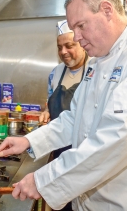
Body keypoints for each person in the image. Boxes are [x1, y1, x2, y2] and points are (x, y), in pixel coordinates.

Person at [0, 0, 127, 211]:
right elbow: (74, 118)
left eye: (81, 26)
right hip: (93, 200)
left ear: (107, 10)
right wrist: (29, 140)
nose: (76, 37)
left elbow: (118, 139)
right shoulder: (97, 61)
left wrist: (44, 180)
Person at [39, 20, 91, 211]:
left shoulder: (94, 71)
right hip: (58, 149)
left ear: (82, 44)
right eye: (60, 47)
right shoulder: (55, 73)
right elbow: (50, 102)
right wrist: (46, 113)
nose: (63, 52)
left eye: (69, 46)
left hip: (84, 152)